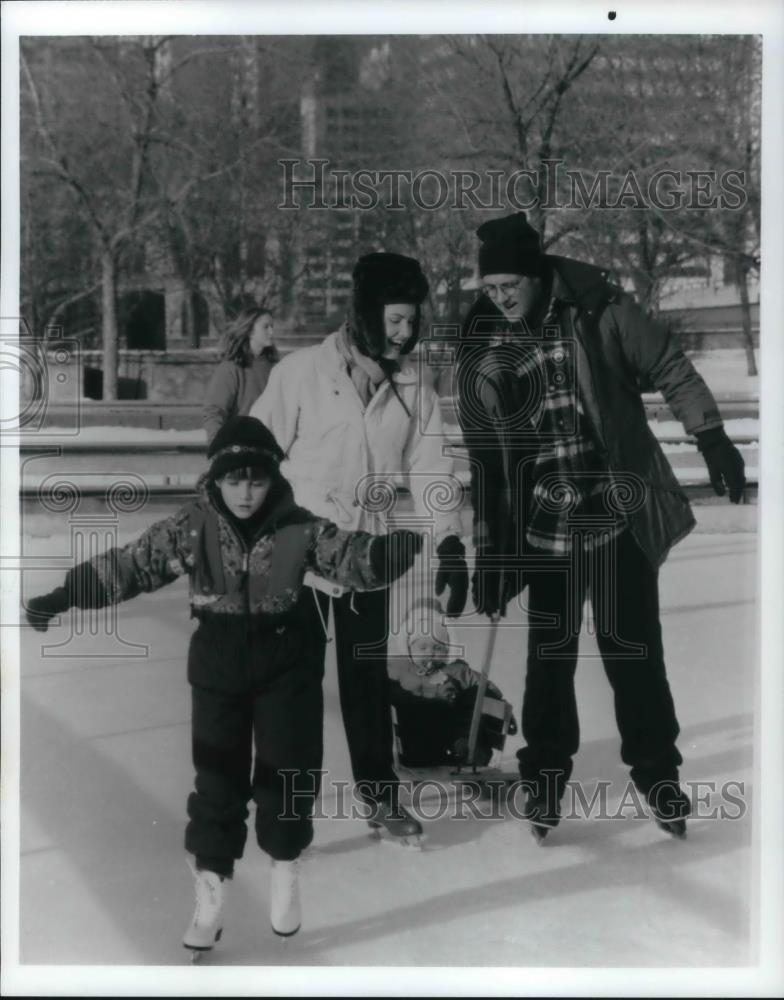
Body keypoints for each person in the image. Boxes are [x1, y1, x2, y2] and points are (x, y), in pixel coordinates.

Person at [24, 416, 423, 956]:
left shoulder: (297, 526)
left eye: (256, 481)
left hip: (288, 666)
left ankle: (285, 873)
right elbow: (132, 565)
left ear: (273, 480)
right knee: (217, 785)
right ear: (216, 479)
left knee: (287, 775)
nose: (245, 492)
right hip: (217, 668)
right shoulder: (193, 527)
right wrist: (67, 593)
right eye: (234, 480)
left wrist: (387, 555)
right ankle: (210, 897)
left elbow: (345, 556)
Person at [456, 212, 746, 841]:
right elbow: (488, 458)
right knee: (549, 659)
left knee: (633, 651)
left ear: (536, 276)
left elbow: (669, 362)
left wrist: (712, 435)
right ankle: (545, 777)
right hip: (545, 526)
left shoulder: (598, 309)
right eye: (490, 286)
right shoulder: (483, 339)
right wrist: (492, 551)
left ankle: (657, 775)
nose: (499, 296)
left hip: (618, 515)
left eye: (510, 283)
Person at [251, 251, 469, 843]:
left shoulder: (413, 386)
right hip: (297, 554)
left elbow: (431, 469)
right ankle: (286, 808)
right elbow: (252, 454)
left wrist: (449, 541)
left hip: (368, 558)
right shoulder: (300, 374)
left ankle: (380, 797)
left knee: (367, 683)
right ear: (366, 315)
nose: (405, 333)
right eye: (394, 321)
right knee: (292, 691)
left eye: (412, 320)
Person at [388, 598, 516, 769]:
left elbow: (486, 687)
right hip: (421, 739)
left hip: (455, 731)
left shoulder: (457, 671)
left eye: (438, 648)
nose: (431, 654)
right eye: (423, 648)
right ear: (409, 649)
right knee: (408, 701)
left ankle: (469, 747)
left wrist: (500, 704)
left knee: (476, 696)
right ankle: (456, 747)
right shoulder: (403, 672)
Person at [203, 307, 279, 444]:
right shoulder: (231, 368)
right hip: (239, 448)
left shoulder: (277, 368)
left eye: (272, 327)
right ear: (250, 330)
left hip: (270, 449)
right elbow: (214, 411)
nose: (271, 332)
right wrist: (218, 446)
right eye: (265, 327)